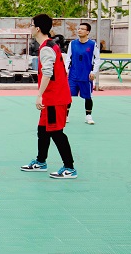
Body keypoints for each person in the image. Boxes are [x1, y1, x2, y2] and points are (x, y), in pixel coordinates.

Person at [21, 14, 77, 179]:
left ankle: (69, 168)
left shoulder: (46, 48)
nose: (30, 28)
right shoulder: (50, 45)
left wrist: (39, 95)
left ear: (37, 28)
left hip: (55, 99)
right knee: (43, 129)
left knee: (56, 132)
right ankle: (41, 161)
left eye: (31, 25)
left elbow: (47, 72)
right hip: (52, 97)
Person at [66, 23, 100, 125]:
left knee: (88, 96)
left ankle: (88, 116)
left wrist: (93, 72)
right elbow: (68, 58)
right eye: (79, 28)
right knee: (67, 95)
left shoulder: (92, 44)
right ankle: (65, 116)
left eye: (82, 29)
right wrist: (66, 70)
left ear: (88, 32)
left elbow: (97, 59)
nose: (79, 30)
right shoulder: (72, 44)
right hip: (73, 75)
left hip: (86, 75)